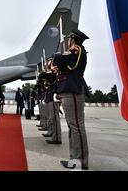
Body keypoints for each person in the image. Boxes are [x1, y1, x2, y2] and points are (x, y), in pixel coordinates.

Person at [53, 29, 90, 170]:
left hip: (73, 90)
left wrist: (58, 54)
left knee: (76, 126)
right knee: (73, 126)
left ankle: (80, 161)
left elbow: (60, 59)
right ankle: (75, 158)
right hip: (69, 90)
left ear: (73, 40)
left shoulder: (77, 50)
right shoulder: (72, 52)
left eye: (69, 39)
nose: (68, 42)